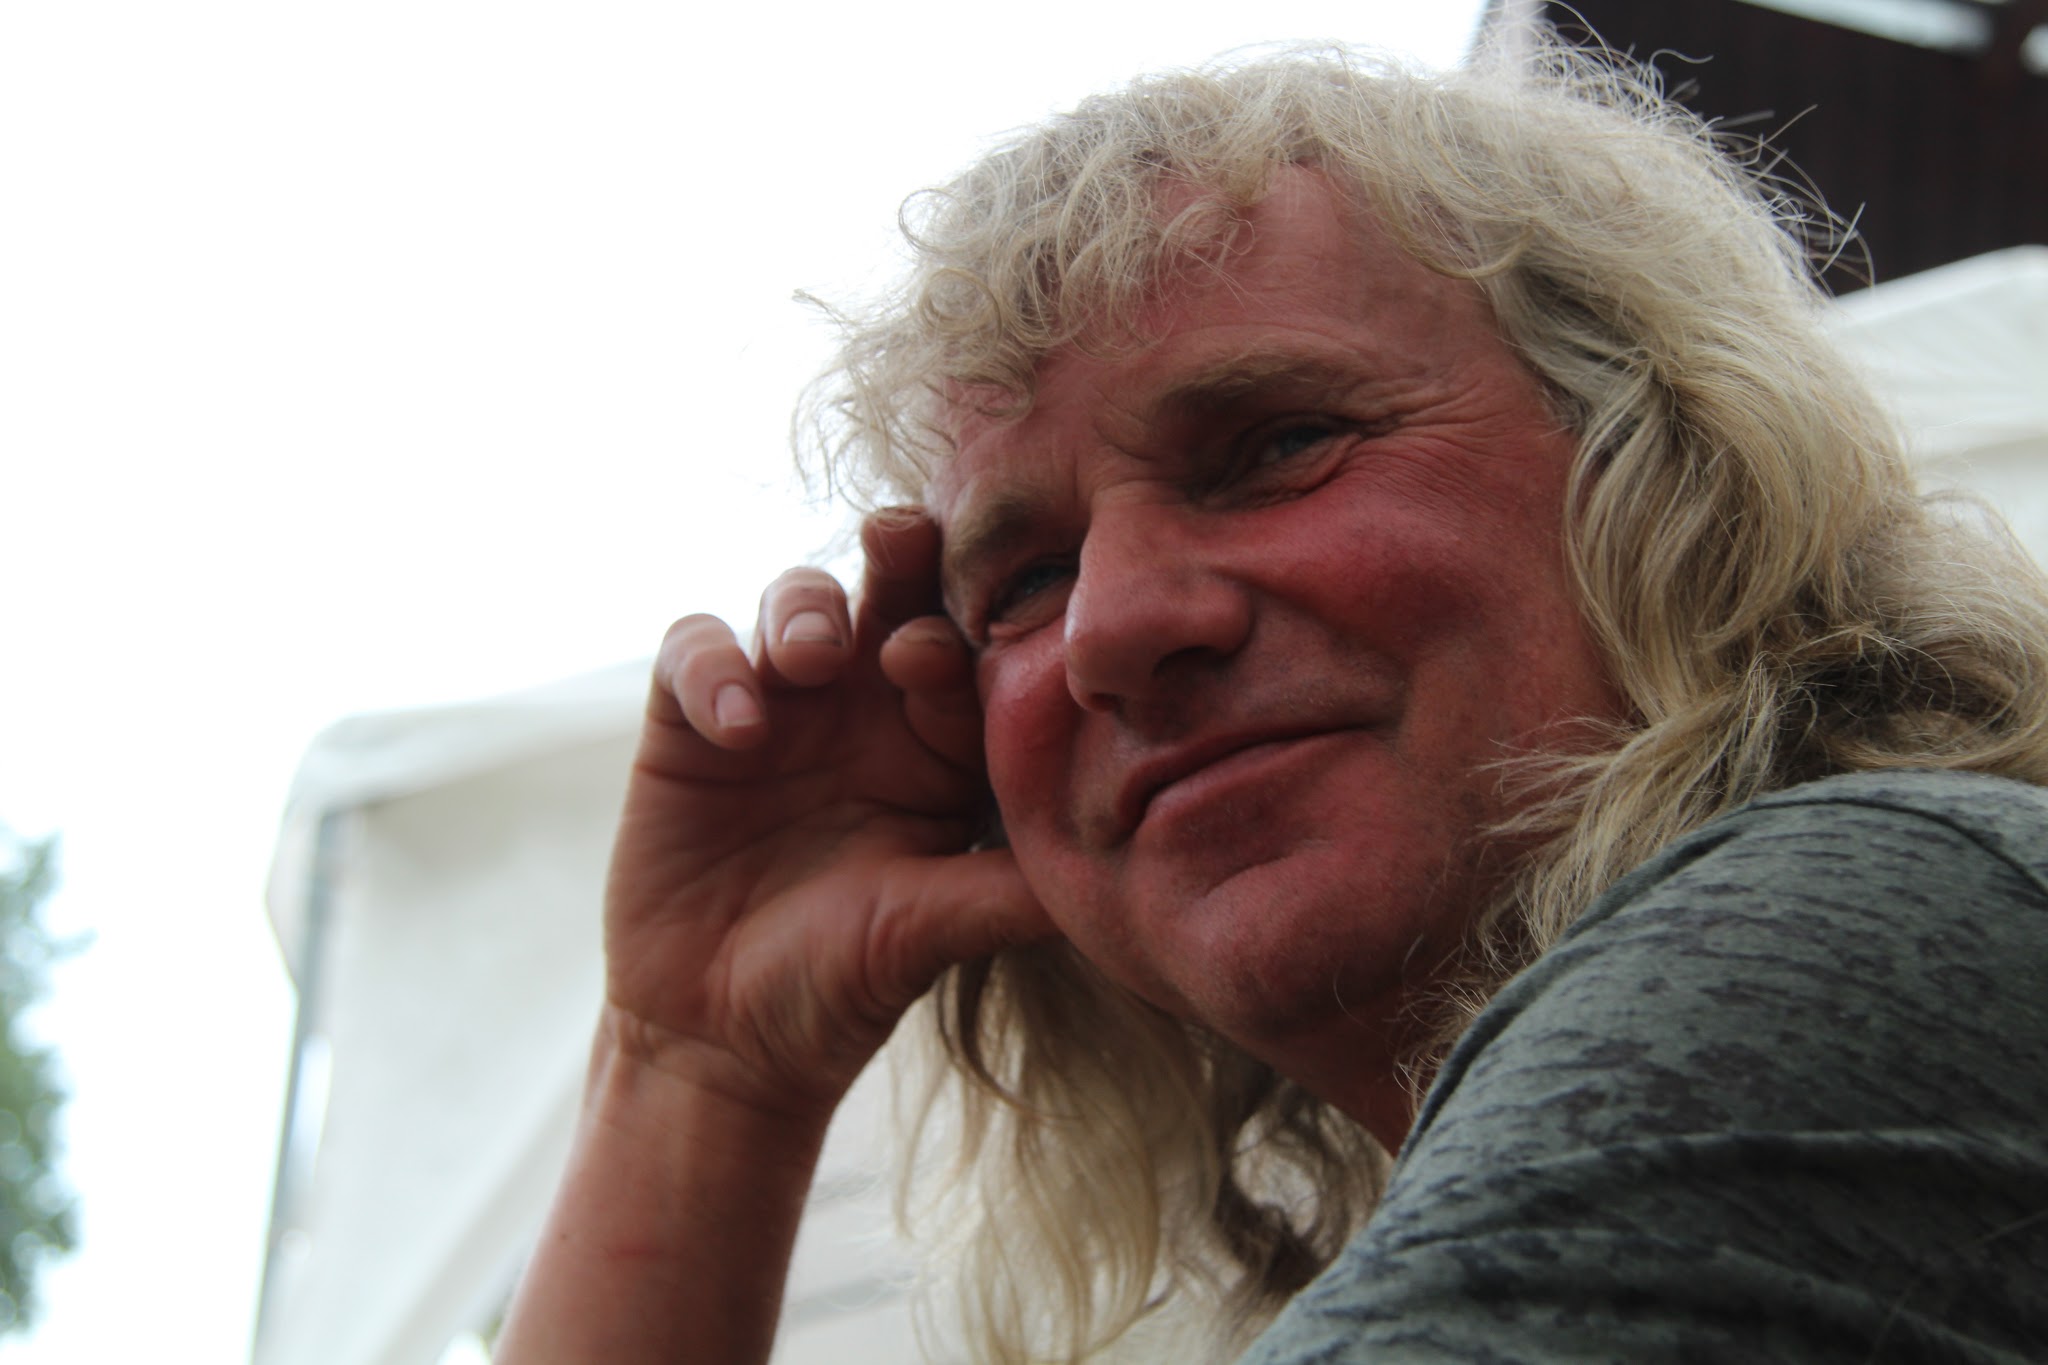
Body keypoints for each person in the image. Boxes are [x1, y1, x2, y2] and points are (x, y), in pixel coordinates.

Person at [496, 29, 2048, 1365]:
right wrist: (698, 1065)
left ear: (1670, 465)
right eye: (1022, 580)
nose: (1111, 628)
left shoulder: (1864, 914)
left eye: (1277, 445)